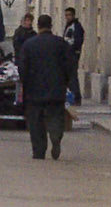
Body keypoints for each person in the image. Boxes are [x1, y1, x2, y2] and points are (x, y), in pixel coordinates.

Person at [16, 14, 76, 160]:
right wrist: (66, 83)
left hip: (34, 90)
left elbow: (22, 67)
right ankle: (55, 137)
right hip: (56, 88)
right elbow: (70, 66)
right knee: (55, 116)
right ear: (51, 26)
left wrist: (25, 83)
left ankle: (39, 151)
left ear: (38, 26)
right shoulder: (61, 44)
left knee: (35, 121)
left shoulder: (29, 44)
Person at [61, 6, 86, 106]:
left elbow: (77, 41)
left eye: (69, 15)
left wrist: (73, 51)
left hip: (72, 55)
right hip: (67, 55)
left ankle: (76, 98)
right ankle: (70, 97)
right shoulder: (68, 26)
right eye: (66, 15)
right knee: (69, 77)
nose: (67, 17)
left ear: (73, 15)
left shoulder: (76, 26)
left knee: (72, 77)